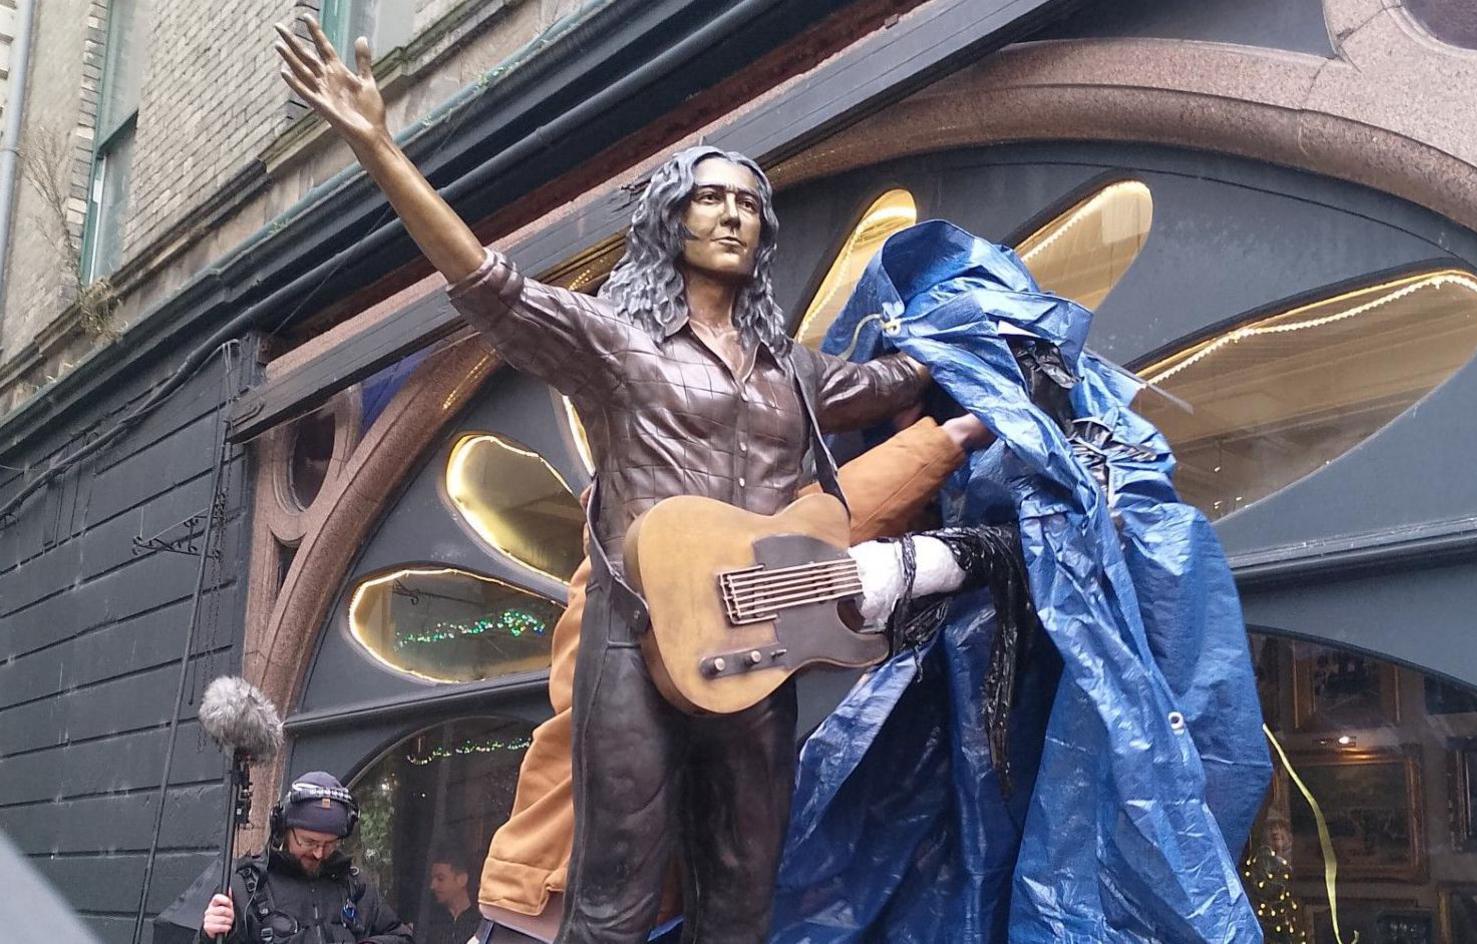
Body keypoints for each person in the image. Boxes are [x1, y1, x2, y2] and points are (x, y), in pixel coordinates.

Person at [273, 17, 932, 944]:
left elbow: (907, 381)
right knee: (610, 902)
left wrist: (993, 333)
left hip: (759, 649)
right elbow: (486, 284)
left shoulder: (800, 374)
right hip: (635, 639)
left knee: (742, 906)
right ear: (673, 217)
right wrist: (377, 147)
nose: (735, 214)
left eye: (750, 204)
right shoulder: (620, 348)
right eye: (711, 199)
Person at [473, 411, 991, 941]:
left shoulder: (644, 544)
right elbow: (810, 539)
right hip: (561, 913)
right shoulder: (651, 556)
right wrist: (948, 439)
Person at [200, 771, 413, 943]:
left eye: (330, 844)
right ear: (283, 830)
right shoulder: (246, 887)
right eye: (309, 842)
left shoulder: (357, 887)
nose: (319, 853)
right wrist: (208, 937)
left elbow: (402, 937)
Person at [425, 851, 482, 944]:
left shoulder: (480, 923)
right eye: (432, 879)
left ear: (462, 880)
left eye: (440, 879)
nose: (432, 885)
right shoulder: (428, 919)